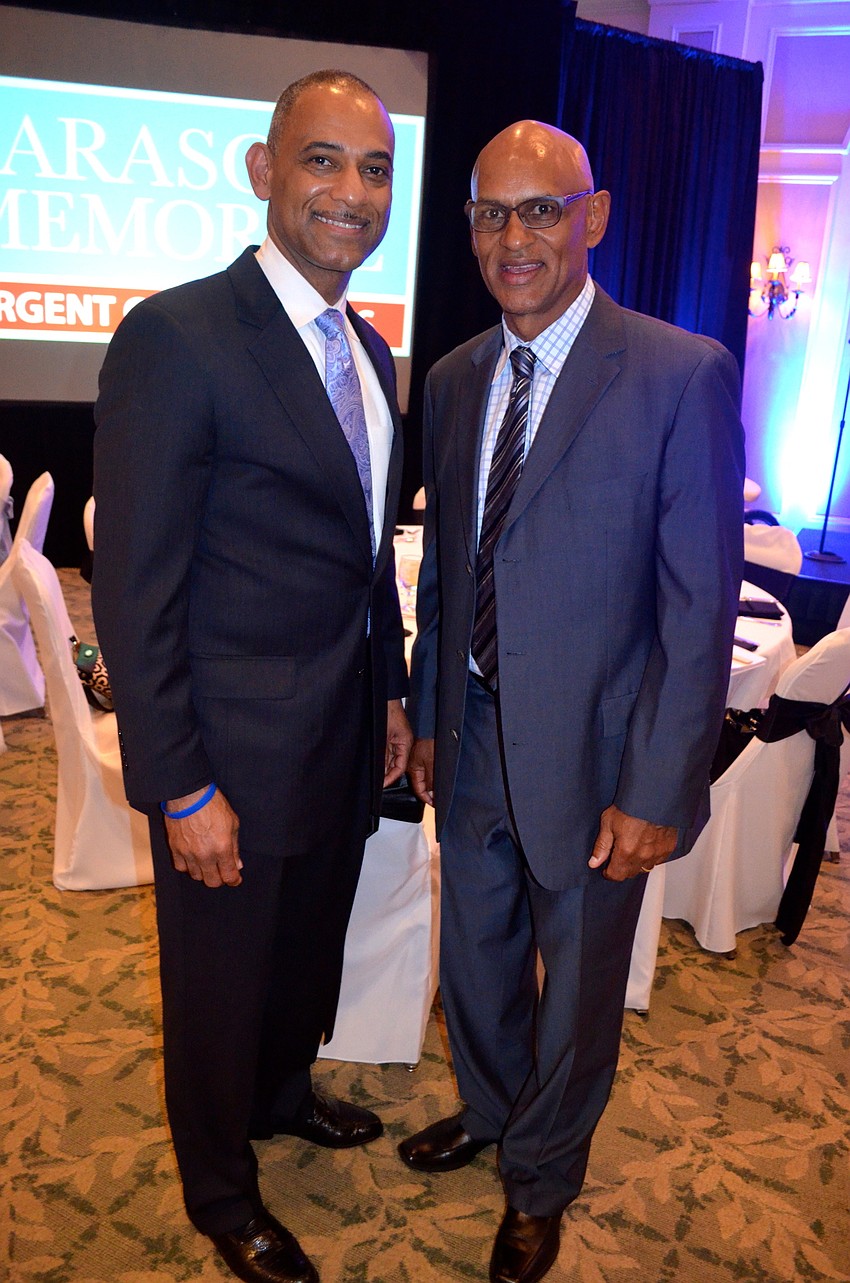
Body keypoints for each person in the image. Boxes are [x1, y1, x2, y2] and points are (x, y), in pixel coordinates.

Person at [399, 121, 744, 1283]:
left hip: (602, 756)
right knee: (479, 964)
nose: (513, 237)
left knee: (577, 987)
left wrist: (659, 786)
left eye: (539, 209)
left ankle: (541, 1177)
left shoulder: (675, 370)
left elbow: (697, 606)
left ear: (590, 217)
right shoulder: (451, 378)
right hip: (479, 731)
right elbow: (450, 570)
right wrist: (435, 714)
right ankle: (496, 1116)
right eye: (490, 213)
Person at [92, 70, 412, 1283]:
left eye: (374, 169)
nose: (350, 192)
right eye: (322, 160)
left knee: (301, 953)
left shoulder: (368, 350)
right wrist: (178, 784)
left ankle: (282, 1096)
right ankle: (221, 1190)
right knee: (220, 982)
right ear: (263, 170)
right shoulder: (178, 335)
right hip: (227, 750)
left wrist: (387, 691)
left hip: (338, 732)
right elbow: (134, 588)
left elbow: (364, 546)